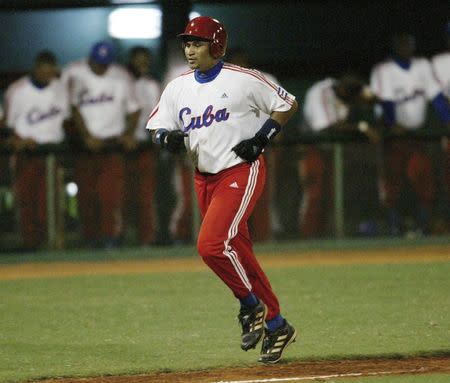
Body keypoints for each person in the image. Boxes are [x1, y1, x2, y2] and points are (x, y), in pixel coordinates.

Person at [146, 16, 298, 364]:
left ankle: (250, 306)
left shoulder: (243, 79)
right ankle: (276, 324)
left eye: (197, 43)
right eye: (187, 43)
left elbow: (287, 103)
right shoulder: (178, 86)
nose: (190, 49)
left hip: (240, 171)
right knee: (240, 253)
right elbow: (156, 126)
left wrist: (262, 139)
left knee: (211, 245)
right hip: (204, 178)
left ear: (216, 46)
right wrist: (163, 138)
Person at [370, 32, 450, 236]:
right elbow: (387, 105)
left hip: (415, 136)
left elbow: (438, 99)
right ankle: (393, 227)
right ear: (395, 45)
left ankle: (422, 226)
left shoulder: (422, 66)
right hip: (392, 136)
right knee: (391, 184)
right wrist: (393, 125)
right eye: (402, 43)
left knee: (424, 180)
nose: (406, 47)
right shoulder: (384, 70)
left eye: (409, 43)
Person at [61, 41, 140, 248]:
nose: (101, 67)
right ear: (90, 59)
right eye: (97, 62)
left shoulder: (121, 76)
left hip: (112, 144)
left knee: (110, 196)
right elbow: (72, 109)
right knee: (86, 196)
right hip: (85, 146)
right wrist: (86, 136)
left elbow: (134, 109)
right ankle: (89, 239)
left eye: (105, 63)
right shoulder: (75, 72)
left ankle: (110, 239)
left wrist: (128, 134)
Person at [3, 50, 69, 250]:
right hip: (27, 155)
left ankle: (54, 243)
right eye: (44, 70)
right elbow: (7, 127)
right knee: (27, 201)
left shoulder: (60, 89)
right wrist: (19, 141)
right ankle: (30, 245)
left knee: (52, 202)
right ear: (36, 68)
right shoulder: (18, 90)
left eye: (51, 71)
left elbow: (66, 120)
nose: (47, 75)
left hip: (52, 154)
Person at [300, 74, 379, 237]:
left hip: (335, 152)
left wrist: (369, 97)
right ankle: (307, 238)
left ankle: (326, 237)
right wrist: (361, 127)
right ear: (342, 91)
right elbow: (325, 127)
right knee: (314, 196)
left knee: (334, 196)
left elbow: (373, 97)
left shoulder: (351, 89)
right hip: (313, 149)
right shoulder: (321, 92)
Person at [227, 47, 282, 242]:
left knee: (262, 196)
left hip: (260, 146)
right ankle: (230, 241)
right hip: (230, 150)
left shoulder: (264, 79)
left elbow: (282, 108)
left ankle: (264, 238)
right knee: (229, 199)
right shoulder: (221, 84)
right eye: (234, 62)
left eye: (241, 61)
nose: (238, 65)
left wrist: (272, 136)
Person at [125, 46, 160, 246]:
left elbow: (157, 116)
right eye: (138, 60)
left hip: (146, 146)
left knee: (146, 197)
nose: (141, 64)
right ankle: (124, 238)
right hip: (123, 146)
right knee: (124, 196)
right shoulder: (122, 81)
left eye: (145, 60)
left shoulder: (152, 85)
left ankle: (146, 238)